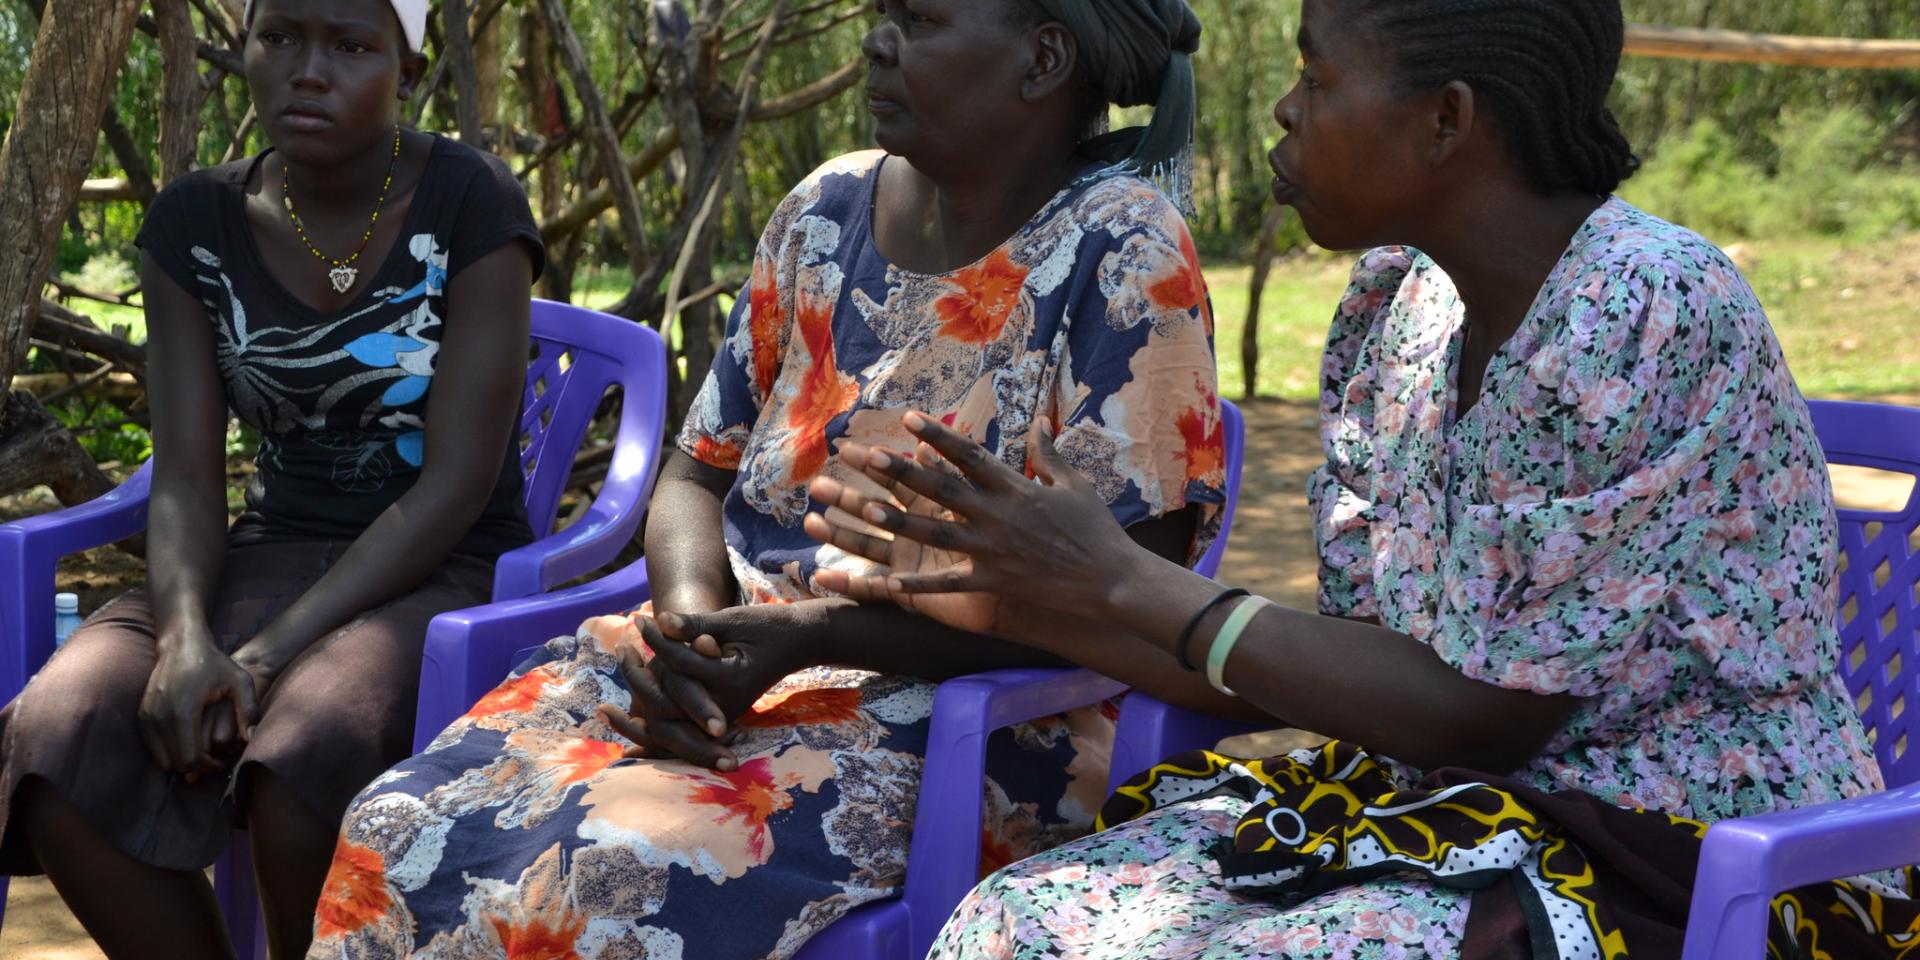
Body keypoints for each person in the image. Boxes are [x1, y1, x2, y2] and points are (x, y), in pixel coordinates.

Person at [806, 0, 1905, 956]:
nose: (1285, 110)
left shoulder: (1646, 309)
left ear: (1446, 120)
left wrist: (1122, 582)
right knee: (1022, 919)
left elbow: (1482, 717)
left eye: (1317, 75)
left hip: (1691, 849)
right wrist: (1012, 587)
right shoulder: (1397, 310)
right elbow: (1347, 669)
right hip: (1457, 816)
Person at [306, 2, 1222, 958]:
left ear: (1042, 59)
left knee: (618, 873)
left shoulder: (1124, 251)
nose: (877, 41)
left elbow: (1127, 605)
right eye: (881, 14)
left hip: (963, 713)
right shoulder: (824, 213)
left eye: (918, 19)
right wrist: (698, 636)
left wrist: (794, 639)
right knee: (396, 824)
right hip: (741, 661)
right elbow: (697, 475)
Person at [0, 1, 543, 956]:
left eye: (350, 45)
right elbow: (185, 479)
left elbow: (457, 485)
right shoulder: (195, 225)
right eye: (281, 36)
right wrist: (181, 640)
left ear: (407, 69)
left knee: (304, 754)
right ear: (248, 48)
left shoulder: (472, 203)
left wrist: (255, 659)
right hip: (267, 553)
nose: (309, 70)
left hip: (443, 570)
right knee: (60, 730)